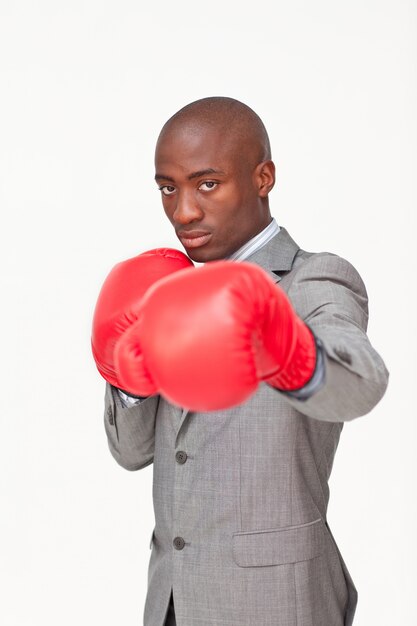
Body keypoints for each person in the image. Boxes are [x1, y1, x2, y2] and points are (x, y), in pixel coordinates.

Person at [91, 97, 389, 626]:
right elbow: (131, 453)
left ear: (262, 178)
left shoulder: (314, 279)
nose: (183, 211)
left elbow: (358, 380)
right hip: (172, 602)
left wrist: (274, 343)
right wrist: (128, 379)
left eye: (207, 183)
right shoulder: (166, 290)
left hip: (275, 603)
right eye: (168, 188)